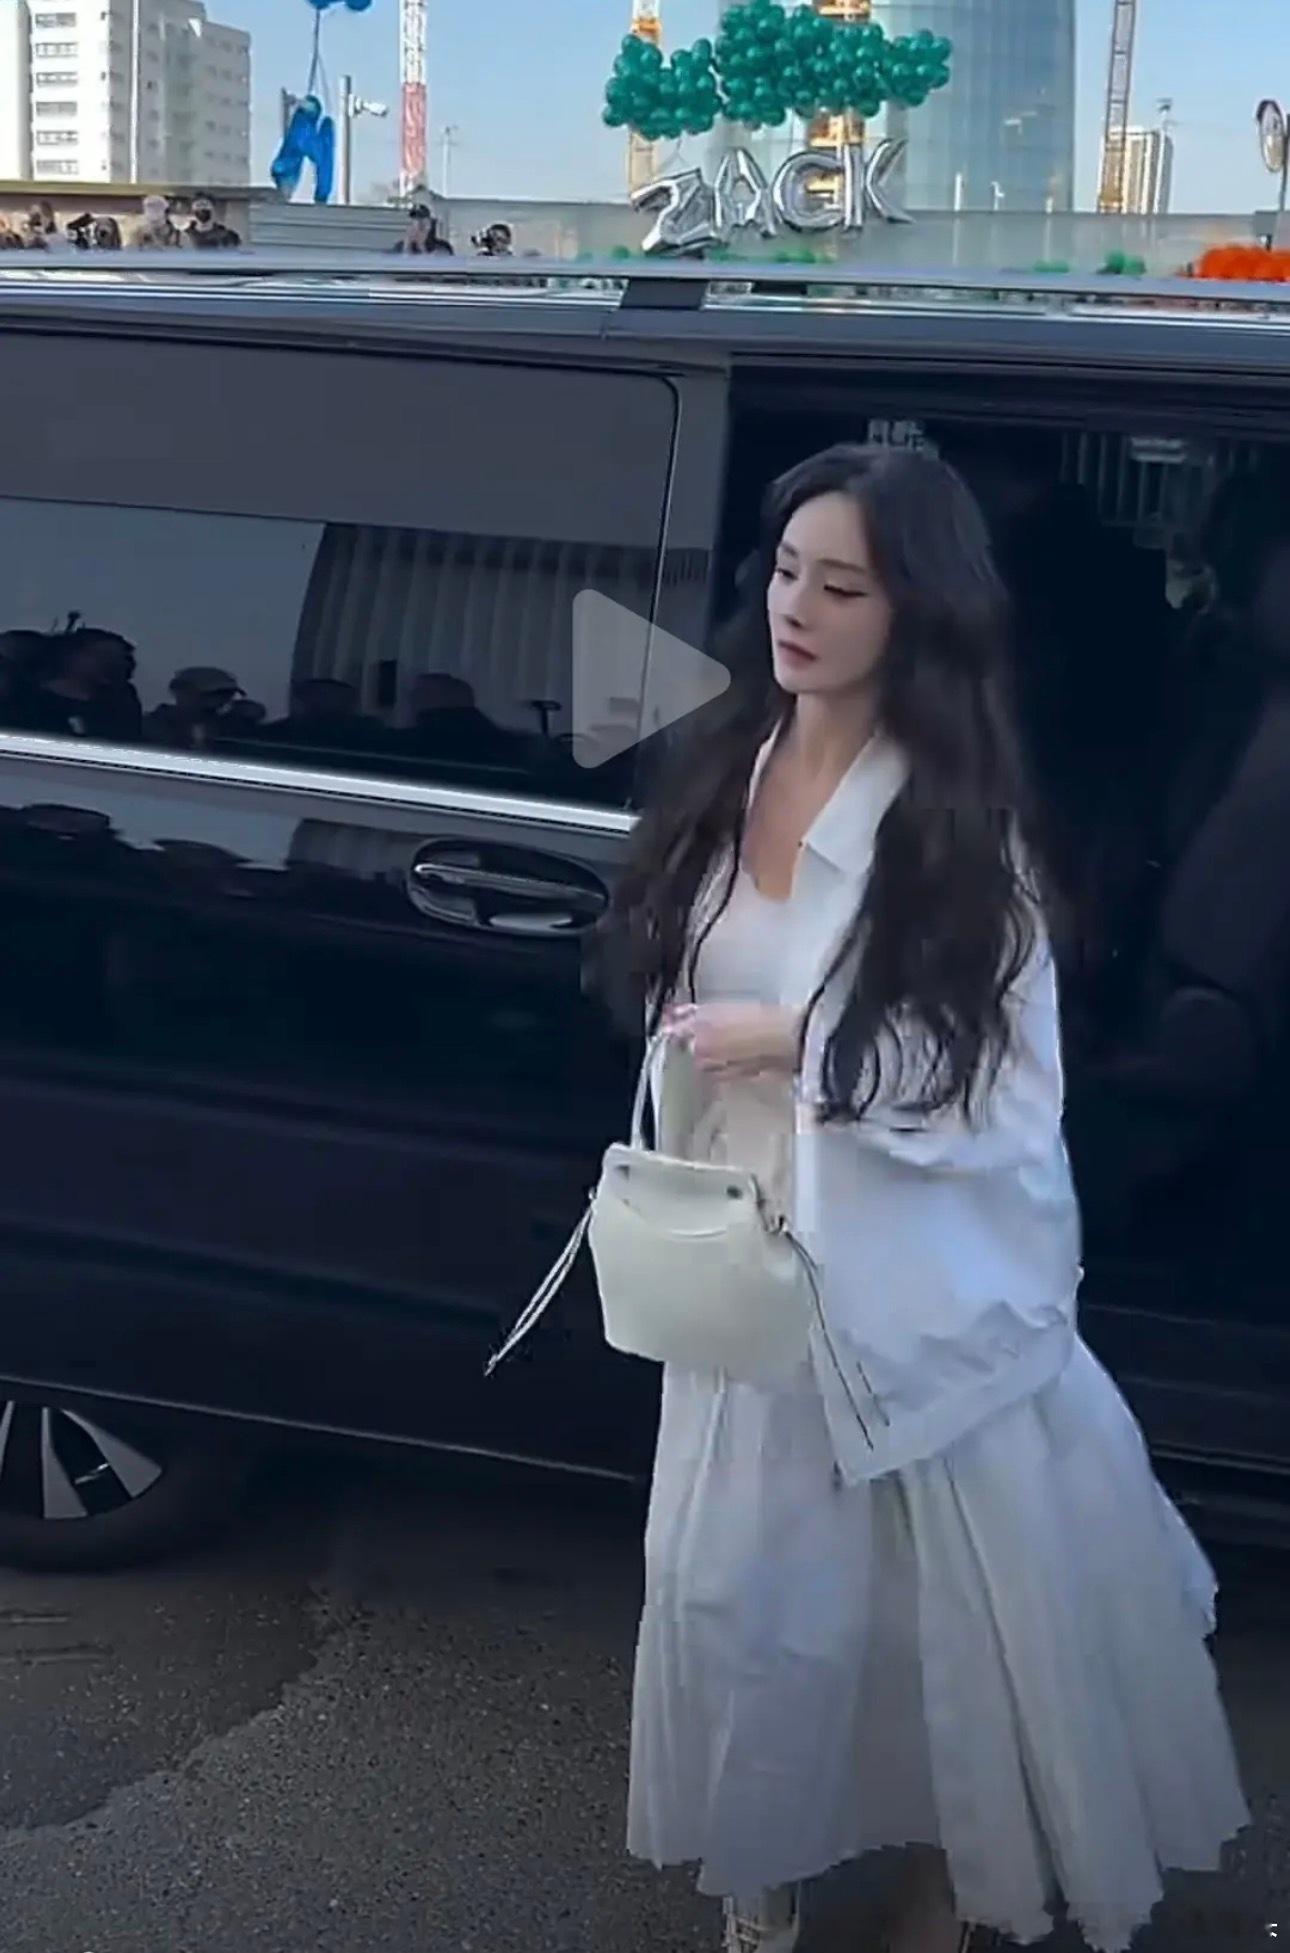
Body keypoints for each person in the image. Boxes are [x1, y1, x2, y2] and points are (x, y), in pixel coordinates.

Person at [605, 444, 1248, 1953]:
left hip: (898, 1283)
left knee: (928, 1627)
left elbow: (1004, 1080)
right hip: (739, 1256)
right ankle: (758, 1875)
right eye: (785, 572)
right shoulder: (728, 760)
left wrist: (805, 1047)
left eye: (844, 586)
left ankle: (956, 1884)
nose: (798, 609)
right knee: (734, 1599)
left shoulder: (959, 823)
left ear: (918, 613)